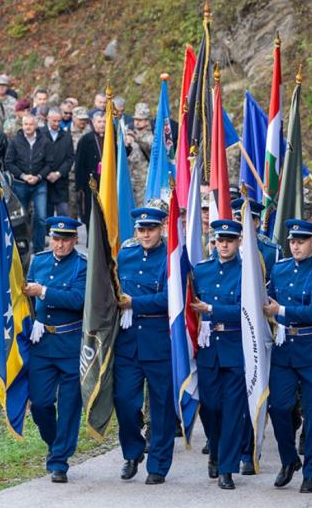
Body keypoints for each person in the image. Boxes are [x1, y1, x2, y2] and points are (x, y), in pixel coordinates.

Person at [264, 219, 312, 494]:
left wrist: (280, 310)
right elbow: (267, 299)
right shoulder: (280, 269)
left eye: (301, 241)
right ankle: (289, 459)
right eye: (292, 241)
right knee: (279, 407)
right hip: (284, 351)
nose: (295, 246)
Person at [24, 217, 87, 484]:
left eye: (65, 239)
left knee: (70, 406)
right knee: (40, 404)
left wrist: (44, 291)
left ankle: (59, 461)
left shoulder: (81, 265)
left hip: (70, 342)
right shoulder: (38, 260)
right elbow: (26, 291)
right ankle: (54, 442)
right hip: (42, 343)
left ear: (74, 239)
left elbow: (79, 300)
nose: (59, 244)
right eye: (55, 239)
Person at [114, 208, 175, 485]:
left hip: (158, 339)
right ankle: (132, 452)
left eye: (151, 229)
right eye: (141, 230)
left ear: (161, 228)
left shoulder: (171, 258)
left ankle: (159, 465)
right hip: (127, 341)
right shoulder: (125, 256)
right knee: (124, 401)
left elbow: (170, 298)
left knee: (161, 407)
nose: (146, 234)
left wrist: (135, 302)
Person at [190, 219, 247, 490]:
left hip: (235, 346)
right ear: (213, 242)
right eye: (219, 240)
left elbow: (248, 311)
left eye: (229, 240)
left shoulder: (248, 272)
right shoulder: (201, 271)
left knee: (233, 410)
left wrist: (212, 308)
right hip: (209, 347)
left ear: (238, 242)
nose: (223, 244)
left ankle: (227, 468)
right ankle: (214, 447)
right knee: (211, 407)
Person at [5, 114, 50, 253]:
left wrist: (38, 176)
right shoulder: (15, 141)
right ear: (22, 125)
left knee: (41, 217)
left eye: (31, 124)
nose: (28, 127)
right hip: (20, 184)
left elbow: (50, 163)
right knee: (21, 217)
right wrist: (24, 176)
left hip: (39, 184)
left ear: (36, 125)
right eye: (25, 124)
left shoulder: (45, 141)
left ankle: (38, 249)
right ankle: (21, 247)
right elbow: (9, 162)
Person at [231, 197, 282, 279]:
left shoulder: (272, 253)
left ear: (257, 223)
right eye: (239, 219)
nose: (242, 224)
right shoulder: (223, 250)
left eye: (247, 220)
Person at [74, 110, 107, 223]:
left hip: (107, 184)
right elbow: (79, 165)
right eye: (99, 121)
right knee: (92, 218)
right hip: (91, 185)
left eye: (104, 121)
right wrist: (80, 188)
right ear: (93, 122)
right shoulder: (85, 140)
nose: (102, 124)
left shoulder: (111, 138)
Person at [41, 109, 74, 217]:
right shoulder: (40, 134)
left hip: (61, 182)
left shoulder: (66, 136)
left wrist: (58, 173)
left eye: (59, 121)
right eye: (54, 121)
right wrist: (46, 173)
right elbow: (36, 157)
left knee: (63, 215)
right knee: (45, 216)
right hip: (43, 182)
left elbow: (70, 158)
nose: (56, 124)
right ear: (48, 119)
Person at [126, 102, 153, 206]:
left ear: (147, 121)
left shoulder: (151, 136)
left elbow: (149, 147)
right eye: (135, 119)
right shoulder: (130, 134)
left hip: (143, 179)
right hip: (130, 177)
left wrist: (136, 138)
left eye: (140, 120)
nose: (137, 122)